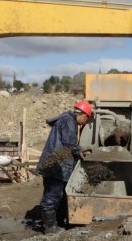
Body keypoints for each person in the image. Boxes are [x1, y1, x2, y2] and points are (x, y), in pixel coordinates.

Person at [37, 100, 93, 234]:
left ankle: (57, 222)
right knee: (52, 196)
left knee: (58, 194)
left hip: (57, 163)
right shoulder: (69, 121)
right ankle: (50, 228)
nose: (84, 122)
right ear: (83, 115)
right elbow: (69, 143)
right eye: (86, 119)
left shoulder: (66, 120)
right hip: (56, 165)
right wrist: (80, 150)